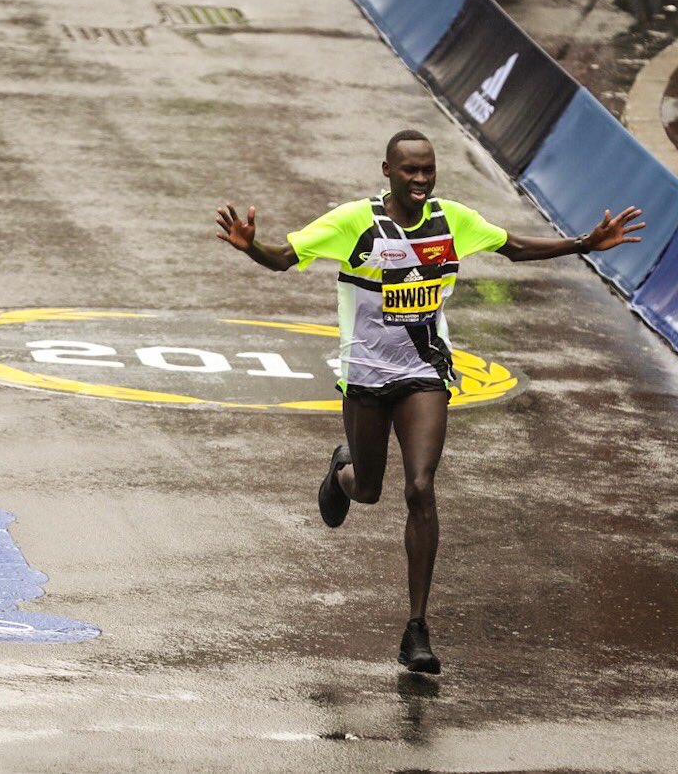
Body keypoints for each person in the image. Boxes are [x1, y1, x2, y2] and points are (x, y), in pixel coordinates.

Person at [215, 129, 644, 674]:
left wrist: (584, 243)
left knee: (420, 487)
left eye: (428, 170)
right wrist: (251, 244)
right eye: (410, 171)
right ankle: (341, 473)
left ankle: (416, 628)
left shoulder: (453, 222)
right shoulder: (354, 222)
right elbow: (282, 259)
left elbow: (512, 248)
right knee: (369, 491)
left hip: (424, 374)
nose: (420, 180)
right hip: (367, 376)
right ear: (387, 171)